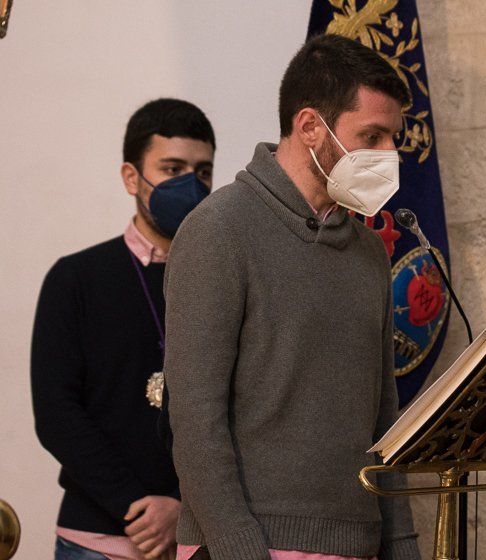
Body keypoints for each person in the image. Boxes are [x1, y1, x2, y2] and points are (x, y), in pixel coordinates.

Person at [164, 34, 420, 560]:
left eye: (393, 137)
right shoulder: (219, 230)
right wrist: (239, 548)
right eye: (371, 135)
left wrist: (401, 543)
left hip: (358, 541)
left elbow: (383, 417)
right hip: (250, 545)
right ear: (309, 127)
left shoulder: (370, 252)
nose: (388, 155)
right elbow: (195, 415)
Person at [31, 98, 216, 560]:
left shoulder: (227, 280)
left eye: (203, 172)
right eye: (171, 168)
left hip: (201, 537)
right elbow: (57, 414)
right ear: (131, 176)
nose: (189, 184)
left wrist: (183, 508)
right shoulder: (75, 279)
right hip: (95, 539)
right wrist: (138, 508)